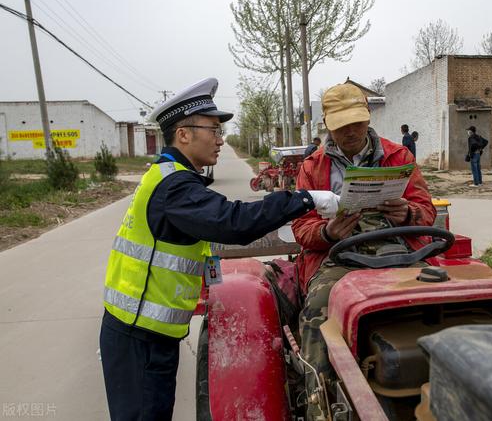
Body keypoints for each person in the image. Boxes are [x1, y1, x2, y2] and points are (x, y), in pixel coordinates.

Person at [99, 77, 339, 421]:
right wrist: (304, 198)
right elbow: (235, 222)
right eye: (213, 129)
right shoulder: (175, 186)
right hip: (139, 337)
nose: (221, 139)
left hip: (146, 333)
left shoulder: (174, 176)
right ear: (184, 134)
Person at [292, 83, 437, 419]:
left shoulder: (399, 156)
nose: (350, 131)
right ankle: (322, 404)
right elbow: (301, 228)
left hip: (399, 248)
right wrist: (327, 232)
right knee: (319, 306)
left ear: (367, 118)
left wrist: (408, 212)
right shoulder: (312, 168)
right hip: (340, 254)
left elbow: (425, 211)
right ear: (327, 124)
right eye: (342, 125)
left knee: (448, 292)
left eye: (356, 122)